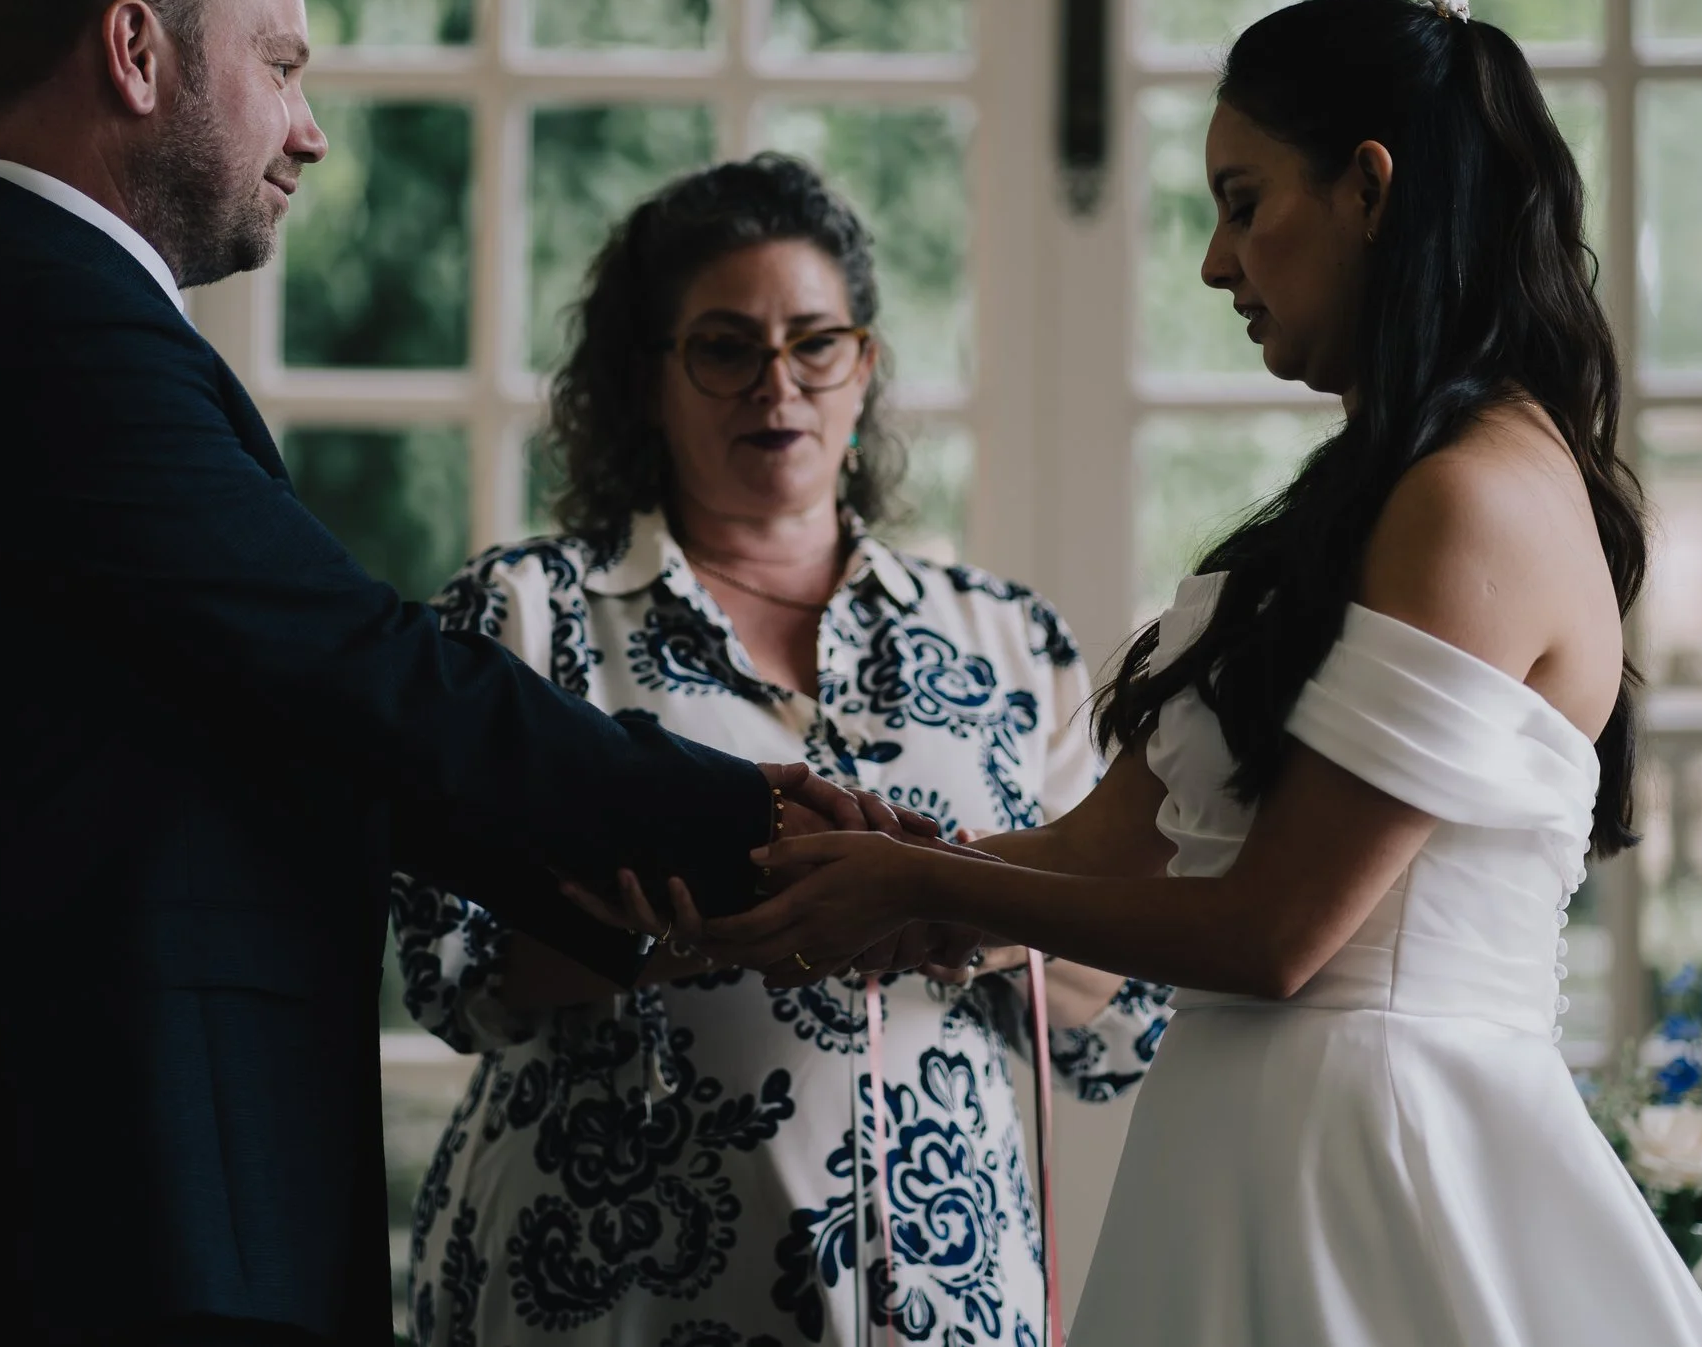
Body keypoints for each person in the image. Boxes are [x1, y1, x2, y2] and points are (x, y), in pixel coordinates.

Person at [0, 0, 910, 1347]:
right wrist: (762, 835)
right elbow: (357, 671)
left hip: (131, 1171)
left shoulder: (14, 301)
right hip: (99, 1189)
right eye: (278, 65)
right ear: (136, 53)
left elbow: (287, 717)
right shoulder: (34, 320)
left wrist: (625, 884)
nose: (310, 130)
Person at [639, 0, 1702, 1343]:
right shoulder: (1373, 491)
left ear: (1368, 189)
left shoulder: (1479, 496)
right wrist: (894, 878)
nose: (1218, 262)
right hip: (1240, 1150)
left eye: (1242, 198)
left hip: (1385, 1162)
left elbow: (1276, 935)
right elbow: (1111, 850)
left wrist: (918, 879)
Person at [391, 155, 1171, 1347]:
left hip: (941, 1287)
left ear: (862, 370)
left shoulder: (1009, 638)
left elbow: (1119, 1023)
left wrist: (957, 906)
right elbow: (447, 964)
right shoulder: (526, 611)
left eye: (817, 342)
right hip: (605, 1274)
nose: (777, 384)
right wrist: (665, 929)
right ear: (647, 377)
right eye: (723, 345)